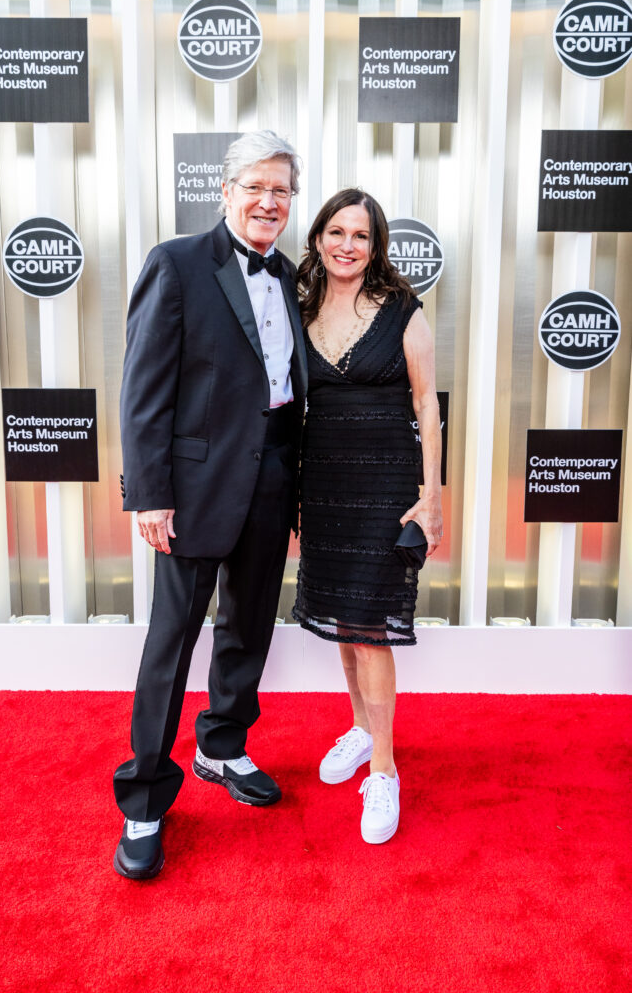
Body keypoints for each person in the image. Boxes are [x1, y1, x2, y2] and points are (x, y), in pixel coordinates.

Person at [113, 131, 307, 879]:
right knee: (172, 643)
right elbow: (143, 390)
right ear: (224, 190)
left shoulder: (292, 274)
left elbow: (288, 391)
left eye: (281, 191)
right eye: (255, 186)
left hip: (269, 484)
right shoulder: (176, 262)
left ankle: (221, 748)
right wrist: (150, 495)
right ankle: (144, 802)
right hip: (191, 493)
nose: (268, 202)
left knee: (248, 628)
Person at [292, 188, 442, 845]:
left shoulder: (403, 312)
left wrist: (430, 497)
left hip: (384, 485)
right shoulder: (296, 309)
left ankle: (383, 766)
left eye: (361, 234)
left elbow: (426, 406)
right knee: (344, 622)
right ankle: (358, 728)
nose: (347, 245)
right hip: (322, 484)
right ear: (319, 238)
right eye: (336, 231)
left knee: (371, 626)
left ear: (375, 245)